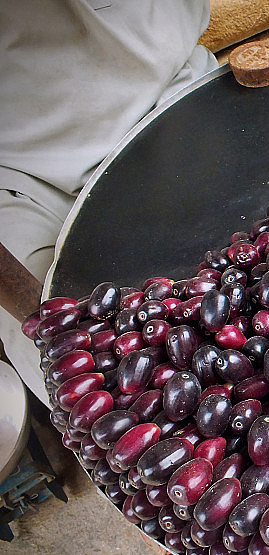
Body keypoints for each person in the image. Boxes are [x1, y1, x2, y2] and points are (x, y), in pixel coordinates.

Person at [0, 1, 220, 405]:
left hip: (177, 93)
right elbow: (49, 330)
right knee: (90, 393)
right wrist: (50, 323)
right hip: (24, 173)